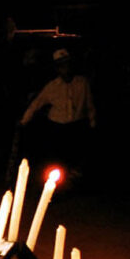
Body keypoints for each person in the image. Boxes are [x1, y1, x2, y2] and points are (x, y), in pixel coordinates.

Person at [19, 48, 96, 179]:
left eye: (67, 65)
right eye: (62, 66)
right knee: (57, 161)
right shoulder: (52, 87)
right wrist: (23, 121)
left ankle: (72, 183)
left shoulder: (82, 83)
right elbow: (36, 104)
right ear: (57, 68)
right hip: (57, 128)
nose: (65, 69)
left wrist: (93, 123)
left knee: (75, 161)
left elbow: (90, 105)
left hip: (77, 126)